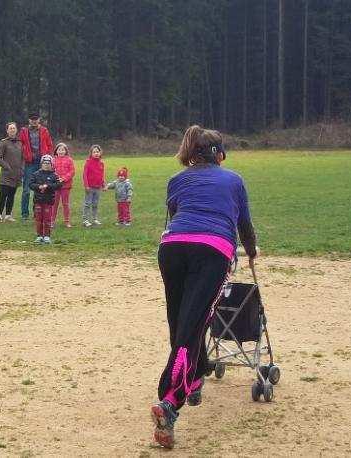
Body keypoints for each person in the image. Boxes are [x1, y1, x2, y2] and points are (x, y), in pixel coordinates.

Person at [151, 125, 257, 448]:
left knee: (181, 323)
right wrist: (251, 251)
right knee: (191, 327)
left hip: (172, 249)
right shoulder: (234, 180)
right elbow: (244, 225)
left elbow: (176, 214)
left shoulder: (177, 180)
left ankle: (196, 375)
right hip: (212, 252)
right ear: (220, 154)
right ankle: (170, 401)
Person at [19, 113, 53, 221]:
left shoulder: (44, 131)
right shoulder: (24, 131)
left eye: (36, 119)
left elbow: (49, 145)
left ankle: (37, 212)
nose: (34, 121)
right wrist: (24, 155)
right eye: (32, 119)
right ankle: (24, 214)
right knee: (26, 190)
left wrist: (48, 157)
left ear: (39, 120)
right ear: (29, 120)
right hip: (29, 162)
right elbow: (20, 145)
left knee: (39, 188)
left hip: (41, 162)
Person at [0, 122, 23, 223]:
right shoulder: (4, 142)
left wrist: (21, 169)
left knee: (11, 195)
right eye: (10, 128)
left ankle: (8, 215)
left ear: (16, 130)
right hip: (6, 174)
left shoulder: (20, 142)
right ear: (7, 130)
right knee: (3, 194)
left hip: (17, 174)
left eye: (14, 128)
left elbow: (22, 158)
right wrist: (6, 167)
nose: (12, 130)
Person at [29, 154, 62, 243]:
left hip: (48, 201)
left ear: (51, 164)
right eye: (44, 163)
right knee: (39, 219)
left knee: (47, 219)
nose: (46, 164)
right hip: (38, 201)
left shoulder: (54, 175)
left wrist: (48, 186)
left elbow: (59, 185)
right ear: (41, 164)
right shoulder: (35, 174)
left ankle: (47, 235)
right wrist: (39, 187)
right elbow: (31, 184)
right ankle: (39, 235)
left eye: (48, 163)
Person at [51, 142, 75, 228]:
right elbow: (51, 171)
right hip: (55, 186)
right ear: (56, 151)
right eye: (59, 149)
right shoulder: (53, 160)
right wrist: (56, 179)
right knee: (54, 204)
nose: (61, 151)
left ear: (66, 151)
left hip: (66, 186)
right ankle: (52, 221)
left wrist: (64, 178)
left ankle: (67, 221)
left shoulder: (69, 160)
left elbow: (72, 171)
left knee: (65, 204)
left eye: (62, 150)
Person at [82, 144, 105, 227]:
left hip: (97, 187)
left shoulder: (101, 163)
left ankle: (94, 219)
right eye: (94, 152)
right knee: (87, 203)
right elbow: (84, 175)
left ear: (100, 153)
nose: (96, 153)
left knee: (95, 204)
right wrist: (86, 186)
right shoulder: (88, 162)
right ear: (91, 153)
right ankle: (85, 220)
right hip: (89, 187)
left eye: (97, 151)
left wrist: (103, 185)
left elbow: (102, 175)